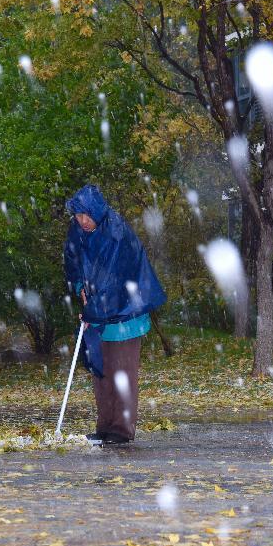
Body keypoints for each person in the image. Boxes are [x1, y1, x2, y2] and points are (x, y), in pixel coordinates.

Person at [63, 184, 166, 445]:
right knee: (101, 368)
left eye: (86, 215)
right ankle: (104, 426)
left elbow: (112, 279)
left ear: (96, 212)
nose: (82, 221)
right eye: (78, 216)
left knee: (122, 370)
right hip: (98, 312)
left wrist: (91, 307)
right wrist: (80, 289)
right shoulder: (77, 230)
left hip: (125, 312)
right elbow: (73, 262)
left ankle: (121, 429)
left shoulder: (116, 232)